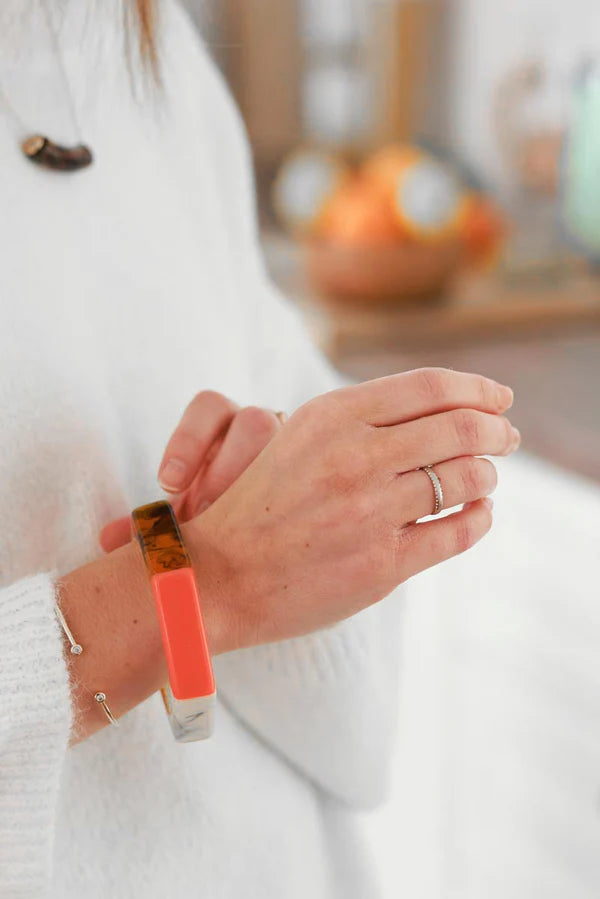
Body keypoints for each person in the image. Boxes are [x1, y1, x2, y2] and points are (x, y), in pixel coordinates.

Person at [0, 1, 519, 896]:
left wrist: (267, 531)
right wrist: (200, 586)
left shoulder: (144, 64)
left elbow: (357, 745)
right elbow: (204, 587)